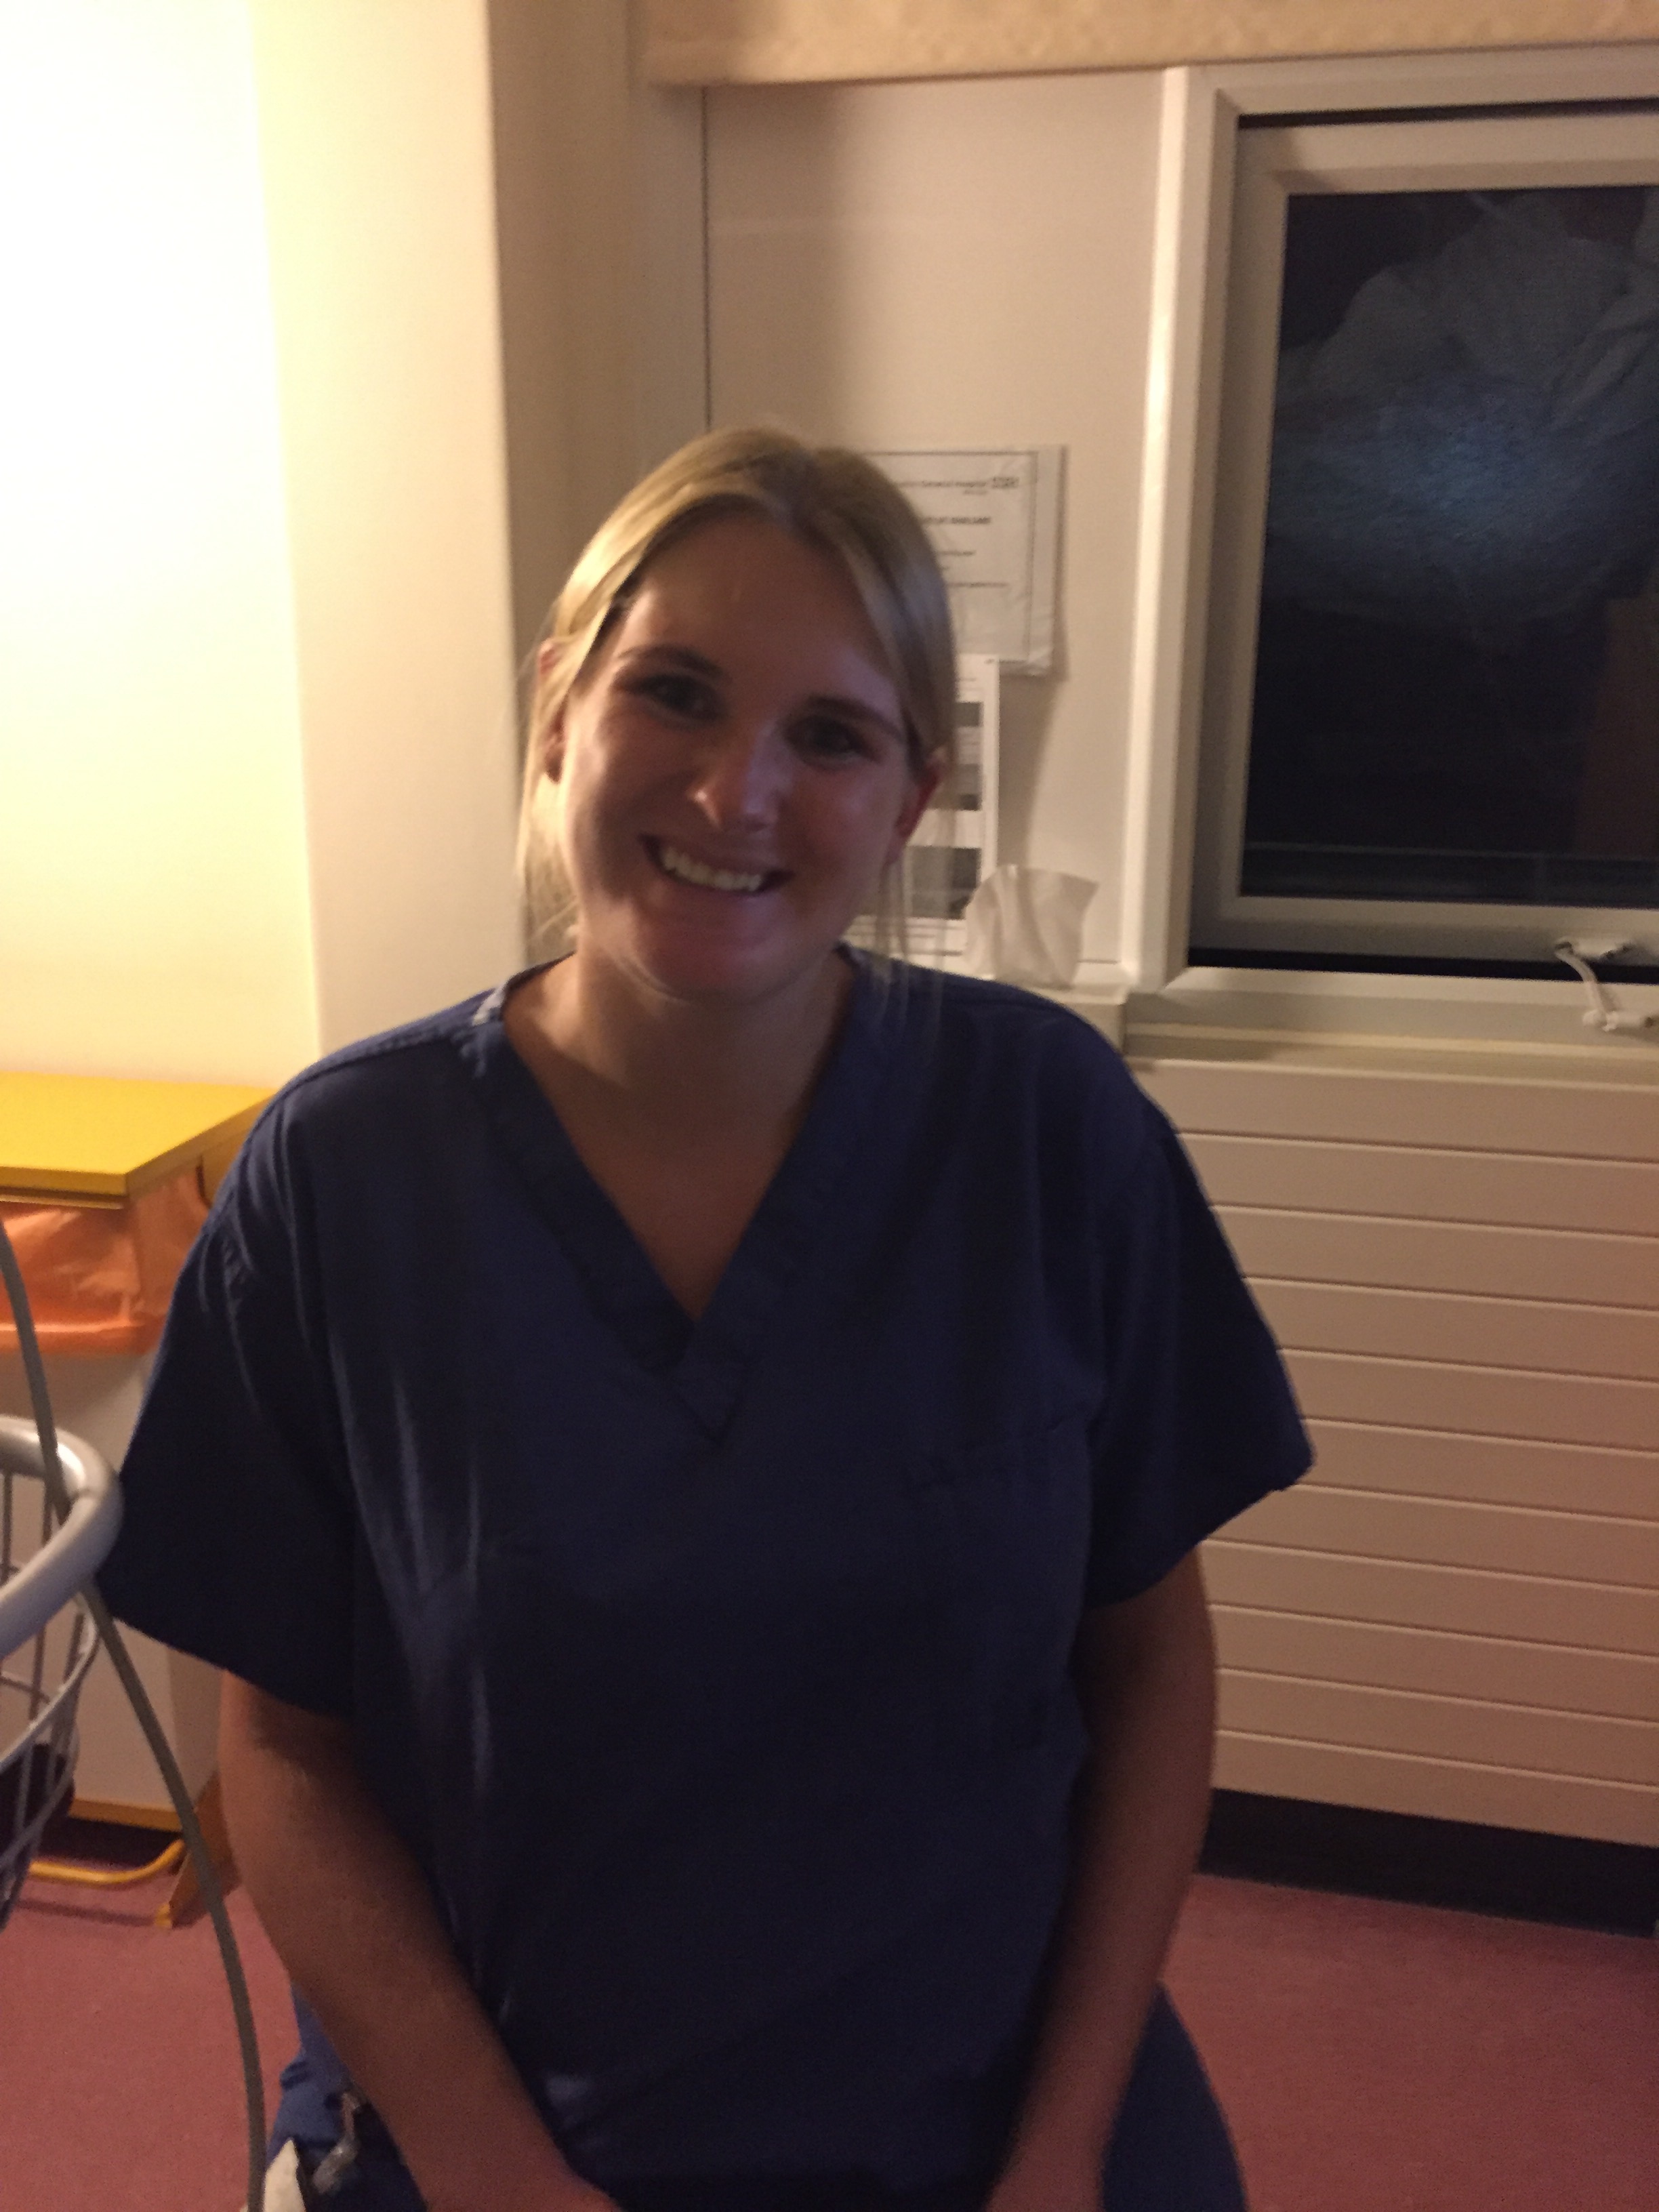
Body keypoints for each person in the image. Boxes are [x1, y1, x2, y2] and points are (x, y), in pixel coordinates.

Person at [100, 427, 1311, 2212]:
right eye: (673, 693)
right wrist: (500, 2177)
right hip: (502, 2132)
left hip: (998, 2126)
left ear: (911, 798)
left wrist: (1063, 2154)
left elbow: (1147, 1665)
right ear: (556, 713)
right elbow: (280, 1751)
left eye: (831, 736)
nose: (739, 793)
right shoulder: (348, 1180)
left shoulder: (1045, 1135)